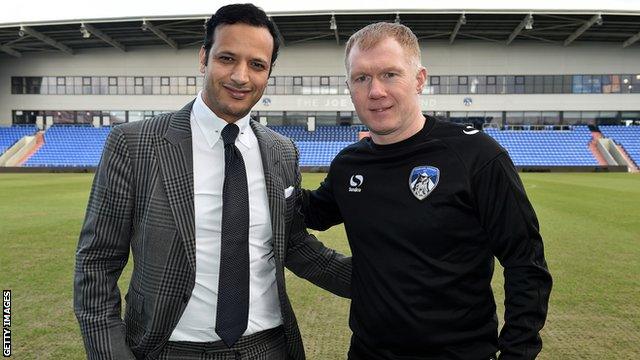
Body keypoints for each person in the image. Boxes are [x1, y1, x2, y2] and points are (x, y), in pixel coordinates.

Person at [74, 4, 350, 360]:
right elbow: (96, 262)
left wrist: (388, 279)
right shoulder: (134, 143)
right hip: (170, 349)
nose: (240, 76)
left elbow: (294, 245)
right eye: (227, 58)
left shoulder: (282, 151)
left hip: (267, 348)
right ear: (204, 58)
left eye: (257, 65)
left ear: (269, 73)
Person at [302, 22, 552, 360]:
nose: (375, 91)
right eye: (361, 78)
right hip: (367, 353)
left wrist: (517, 353)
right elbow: (312, 212)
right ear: (350, 87)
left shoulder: (477, 155)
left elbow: (526, 262)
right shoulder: (349, 164)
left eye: (390, 74)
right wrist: (258, 167)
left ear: (419, 79)